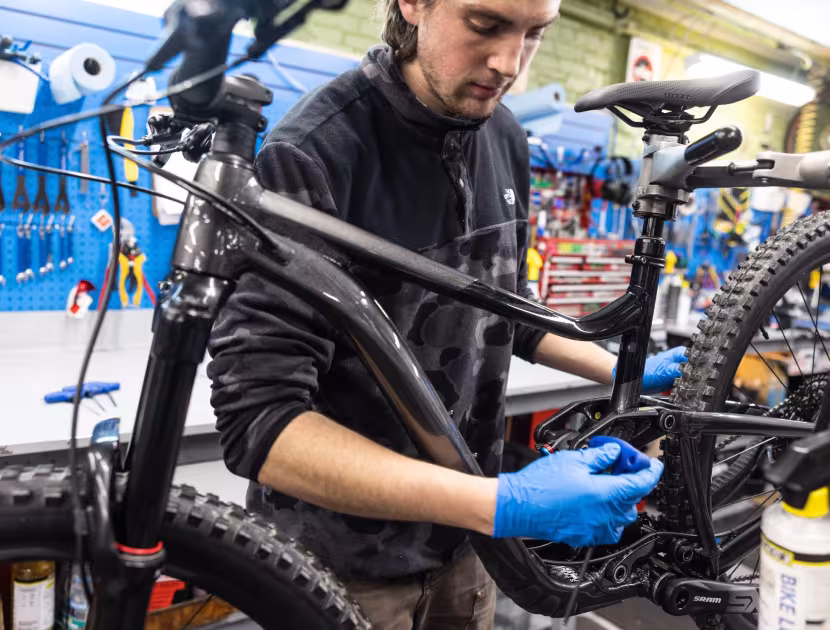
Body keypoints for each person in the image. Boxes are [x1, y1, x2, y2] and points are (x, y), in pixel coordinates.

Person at [207, 0, 683, 627]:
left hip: (466, 551)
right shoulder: (314, 153)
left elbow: (503, 309)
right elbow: (263, 426)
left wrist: (622, 369)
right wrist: (503, 501)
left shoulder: (503, 134)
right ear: (413, 4)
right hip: (336, 568)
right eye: (485, 25)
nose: (509, 63)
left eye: (533, 34)